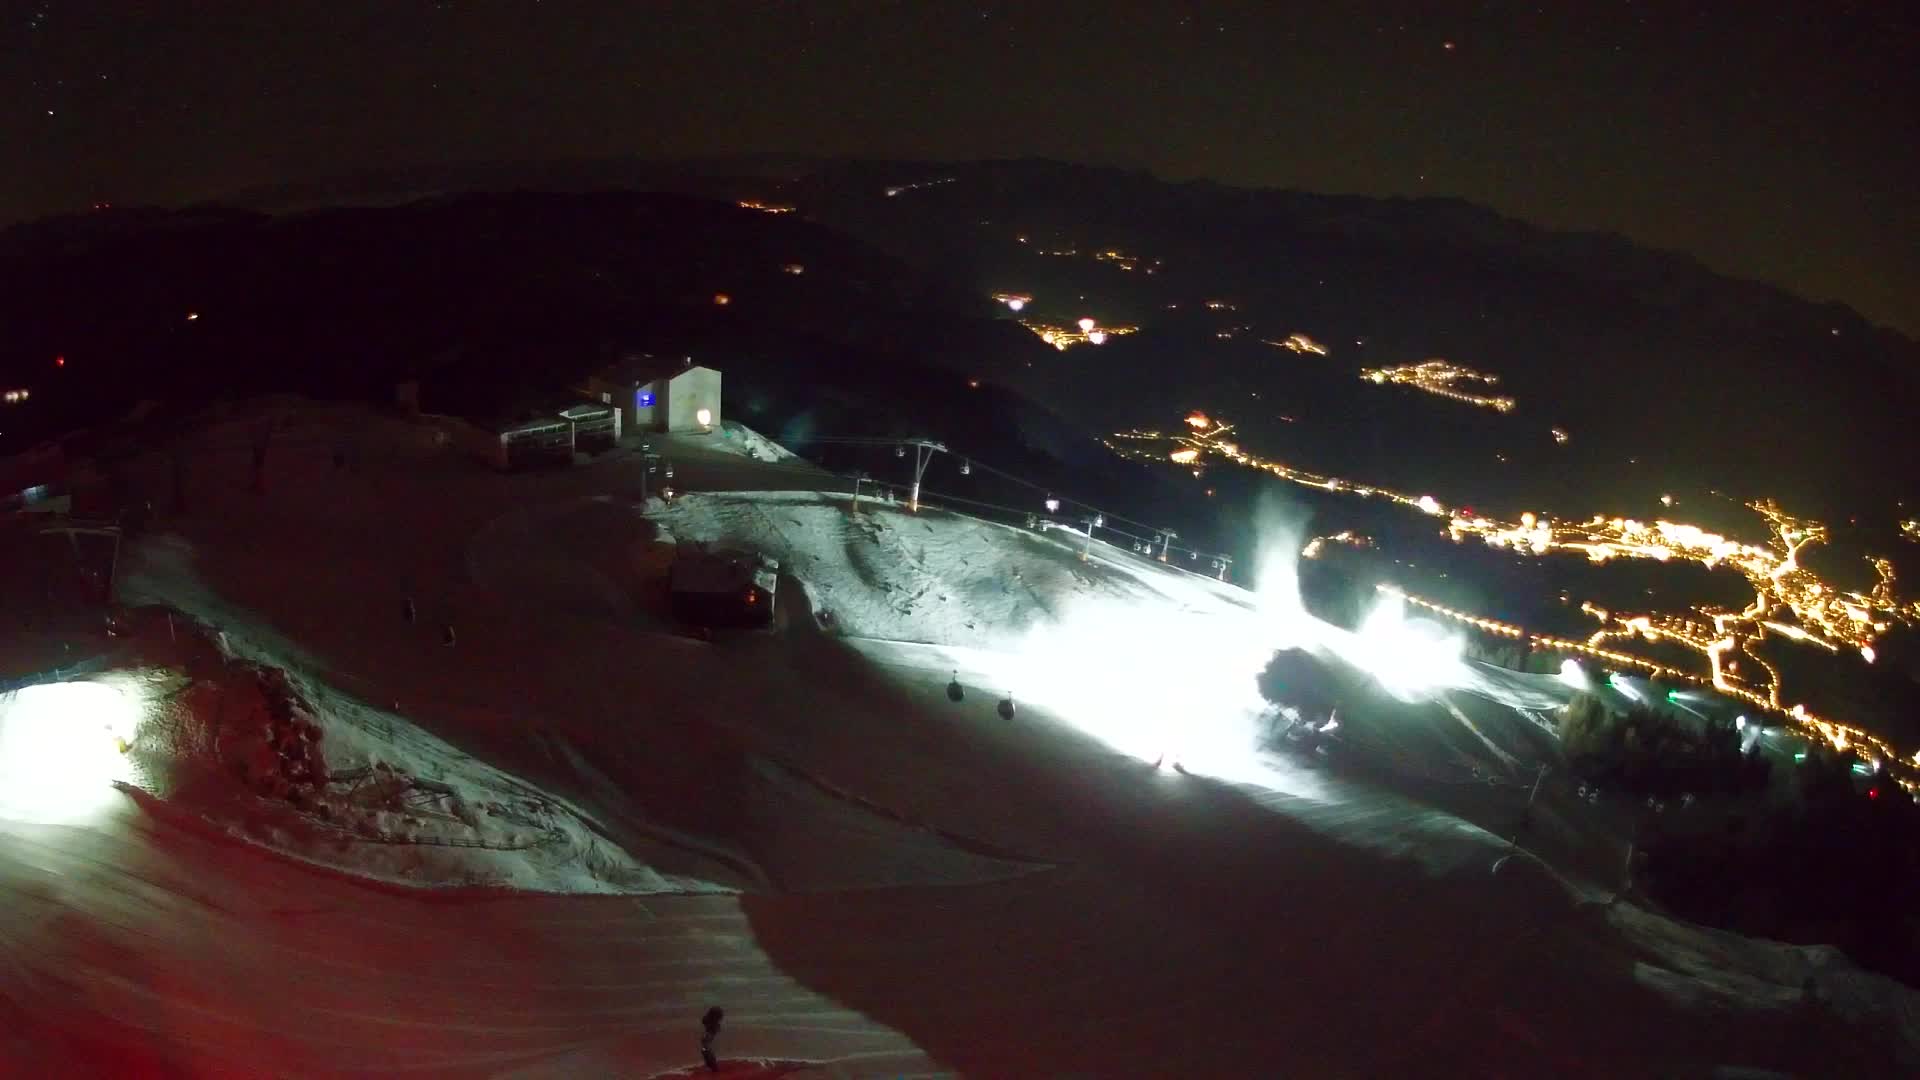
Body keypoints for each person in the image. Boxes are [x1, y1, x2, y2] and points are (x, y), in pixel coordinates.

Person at [699, 1006, 724, 1073]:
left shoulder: (713, 1024)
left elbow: (704, 1022)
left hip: (707, 1039)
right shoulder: (714, 1024)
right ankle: (712, 1066)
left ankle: (712, 1067)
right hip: (707, 1039)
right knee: (705, 1051)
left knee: (706, 1051)